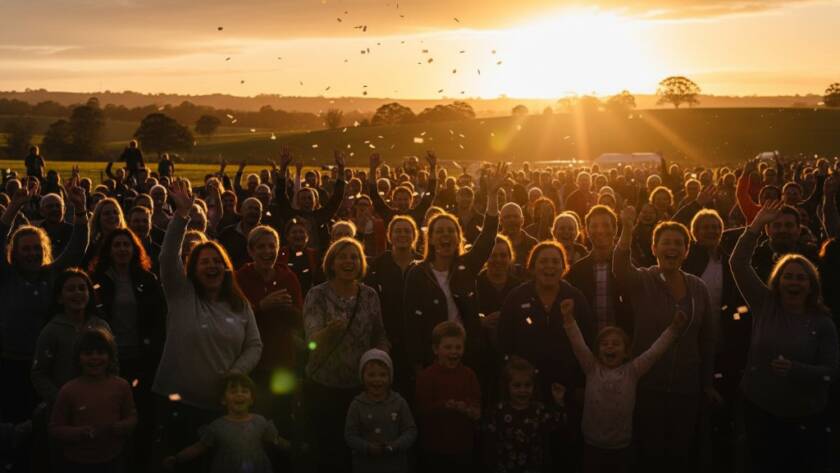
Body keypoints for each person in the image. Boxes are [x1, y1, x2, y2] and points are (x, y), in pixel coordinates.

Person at [152, 179, 262, 472]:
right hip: (177, 402)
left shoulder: (239, 304)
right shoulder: (180, 294)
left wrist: (237, 371)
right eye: (204, 262)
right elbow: (166, 257)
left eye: (217, 261)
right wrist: (181, 217)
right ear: (193, 268)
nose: (212, 266)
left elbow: (254, 344)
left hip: (222, 407)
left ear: (226, 267)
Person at [730, 200, 839, 473]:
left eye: (800, 278)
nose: (793, 282)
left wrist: (796, 370)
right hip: (760, 408)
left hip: (806, 414)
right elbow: (738, 262)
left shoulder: (823, 322)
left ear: (811, 284)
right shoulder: (765, 304)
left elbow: (831, 370)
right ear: (777, 281)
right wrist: (755, 226)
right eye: (787, 277)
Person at [613, 206, 718, 472]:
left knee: (680, 453)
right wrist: (626, 228)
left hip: (687, 386)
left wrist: (706, 383)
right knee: (650, 452)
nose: (672, 248)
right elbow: (621, 268)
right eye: (666, 242)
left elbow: (707, 339)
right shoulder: (644, 280)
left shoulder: (698, 287)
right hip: (648, 384)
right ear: (655, 248)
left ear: (686, 250)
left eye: (678, 243)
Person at [561, 298, 686, 473]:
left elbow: (655, 352)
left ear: (626, 352)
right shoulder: (591, 368)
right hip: (591, 445)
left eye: (616, 344)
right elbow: (578, 344)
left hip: (622, 448)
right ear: (598, 351)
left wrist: (673, 329)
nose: (610, 347)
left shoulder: (633, 371)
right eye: (605, 344)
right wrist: (568, 318)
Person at [0, 178, 89, 423]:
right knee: (13, 422)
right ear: (14, 253)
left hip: (49, 365)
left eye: (36, 248)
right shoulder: (7, 276)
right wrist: (13, 208)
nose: (32, 253)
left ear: (45, 250)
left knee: (47, 422)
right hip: (9, 362)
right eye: (25, 249)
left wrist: (80, 210)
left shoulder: (51, 275)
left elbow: (76, 248)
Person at [404, 163, 507, 374]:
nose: (445, 236)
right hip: (431, 359)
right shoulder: (417, 274)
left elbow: (488, 236)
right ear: (430, 239)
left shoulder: (466, 267)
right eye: (439, 232)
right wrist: (416, 364)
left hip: (467, 356)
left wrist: (492, 195)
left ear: (458, 238)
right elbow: (410, 324)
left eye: (451, 231)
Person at [303, 237, 389, 473]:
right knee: (329, 453)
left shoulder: (369, 295)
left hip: (360, 389)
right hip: (324, 388)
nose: (348, 261)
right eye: (342, 256)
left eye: (354, 257)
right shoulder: (317, 295)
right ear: (331, 263)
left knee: (359, 454)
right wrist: (329, 332)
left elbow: (380, 335)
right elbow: (310, 341)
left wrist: (380, 359)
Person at [49, 329, 137, 473]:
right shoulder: (69, 390)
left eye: (101, 352)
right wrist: (80, 433)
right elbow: (55, 428)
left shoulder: (121, 386)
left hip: (113, 459)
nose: (95, 358)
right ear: (78, 358)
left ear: (110, 356)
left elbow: (132, 417)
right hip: (77, 462)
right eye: (88, 353)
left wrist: (120, 426)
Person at [163, 373, 289, 473]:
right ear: (223, 400)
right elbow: (198, 447)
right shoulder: (217, 426)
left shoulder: (260, 422)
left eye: (244, 391)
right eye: (233, 391)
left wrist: (295, 449)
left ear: (251, 399)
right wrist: (177, 458)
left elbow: (276, 440)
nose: (239, 394)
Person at [31, 268, 111, 408]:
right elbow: (39, 373)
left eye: (82, 288)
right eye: (70, 289)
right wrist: (60, 399)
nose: (77, 293)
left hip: (100, 403)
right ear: (60, 298)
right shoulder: (51, 330)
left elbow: (113, 364)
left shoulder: (101, 326)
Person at [414, 321, 481, 473]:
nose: (454, 352)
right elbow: (421, 410)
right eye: (448, 347)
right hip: (435, 448)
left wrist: (468, 409)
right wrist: (445, 405)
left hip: (462, 446)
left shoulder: (469, 375)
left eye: (458, 347)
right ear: (435, 349)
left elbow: (477, 408)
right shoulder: (427, 377)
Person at [365, 216, 421, 395]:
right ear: (390, 236)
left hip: (418, 341)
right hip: (387, 341)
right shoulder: (378, 265)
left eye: (407, 231)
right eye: (398, 231)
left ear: (414, 235)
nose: (402, 234)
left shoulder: (424, 265)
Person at [482, 356, 566, 473]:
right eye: (517, 385)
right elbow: (489, 438)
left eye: (527, 385)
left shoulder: (538, 409)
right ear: (508, 386)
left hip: (532, 467)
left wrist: (558, 401)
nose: (523, 390)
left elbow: (557, 423)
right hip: (505, 467)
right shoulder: (499, 410)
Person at [344, 349, 417, 473]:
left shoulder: (399, 402)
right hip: (365, 466)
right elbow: (350, 435)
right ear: (362, 376)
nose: (377, 380)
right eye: (371, 375)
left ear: (390, 377)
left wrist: (396, 445)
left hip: (395, 466)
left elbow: (411, 430)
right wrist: (367, 447)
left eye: (383, 375)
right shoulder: (357, 405)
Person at [567, 205, 633, 334]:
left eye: (605, 225)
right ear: (587, 231)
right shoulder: (576, 271)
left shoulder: (630, 267)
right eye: (594, 226)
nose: (600, 230)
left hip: (623, 345)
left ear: (615, 229)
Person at [369, 152, 437, 227]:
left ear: (411, 200)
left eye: (405, 199)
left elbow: (431, 192)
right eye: (399, 199)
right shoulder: (388, 214)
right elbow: (374, 194)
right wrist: (373, 170)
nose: (403, 202)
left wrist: (433, 167)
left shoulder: (418, 213)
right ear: (394, 200)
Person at [499, 202, 538, 269]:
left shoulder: (533, 244)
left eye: (516, 216)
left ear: (522, 220)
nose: (512, 220)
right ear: (501, 221)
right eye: (507, 217)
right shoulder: (493, 243)